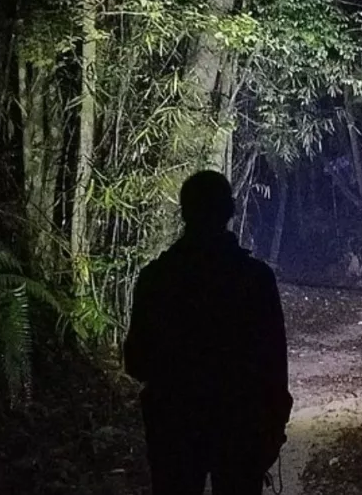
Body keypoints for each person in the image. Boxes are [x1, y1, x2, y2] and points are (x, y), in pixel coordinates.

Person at [124, 171, 292, 495]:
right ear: (230, 212)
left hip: (175, 424)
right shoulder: (255, 280)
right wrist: (274, 424)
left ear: (184, 211)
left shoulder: (156, 278)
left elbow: (136, 362)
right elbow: (274, 365)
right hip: (239, 424)